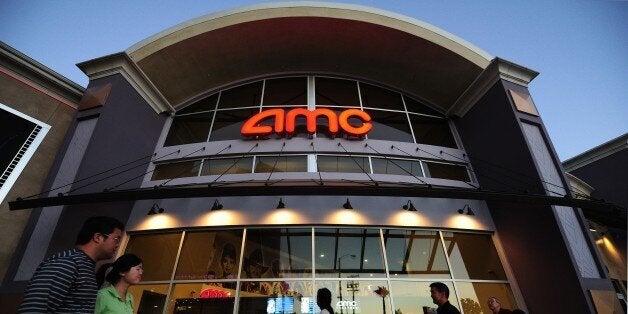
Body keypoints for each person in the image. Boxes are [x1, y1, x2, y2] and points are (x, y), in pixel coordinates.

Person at [19, 216, 124, 313]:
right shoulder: (67, 263)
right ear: (98, 237)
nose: (118, 245)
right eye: (116, 239)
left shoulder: (85, 267)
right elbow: (33, 308)